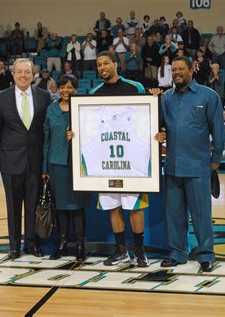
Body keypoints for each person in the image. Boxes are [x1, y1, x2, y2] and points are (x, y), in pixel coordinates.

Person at [159, 56, 225, 273]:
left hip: (198, 166)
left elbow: (218, 133)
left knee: (201, 214)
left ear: (192, 69)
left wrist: (214, 161)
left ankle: (206, 254)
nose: (176, 72)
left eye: (180, 69)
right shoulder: (166, 98)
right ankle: (177, 253)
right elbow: (159, 127)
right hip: (173, 166)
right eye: (173, 70)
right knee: (174, 214)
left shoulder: (208, 96)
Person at [88, 51, 153, 268]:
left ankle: (140, 252)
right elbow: (90, 127)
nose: (102, 67)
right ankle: (121, 251)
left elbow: (146, 120)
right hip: (106, 161)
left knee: (134, 207)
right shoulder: (94, 93)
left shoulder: (135, 88)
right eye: (99, 64)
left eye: (106, 63)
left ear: (116, 64)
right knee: (113, 206)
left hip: (131, 160)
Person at [0, 58, 52, 260]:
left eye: (27, 72)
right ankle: (14, 247)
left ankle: (32, 245)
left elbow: (46, 129)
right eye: (19, 72)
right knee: (13, 207)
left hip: (35, 161)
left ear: (33, 75)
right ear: (13, 74)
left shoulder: (44, 96)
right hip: (10, 160)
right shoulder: (1, 97)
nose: (23, 75)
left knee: (33, 206)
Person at [42, 76, 87, 261]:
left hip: (79, 165)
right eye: (62, 87)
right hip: (56, 164)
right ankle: (61, 245)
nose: (66, 90)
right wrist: (44, 168)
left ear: (76, 89)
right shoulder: (51, 110)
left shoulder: (82, 109)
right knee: (60, 207)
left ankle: (80, 246)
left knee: (78, 206)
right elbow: (46, 141)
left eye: (70, 87)